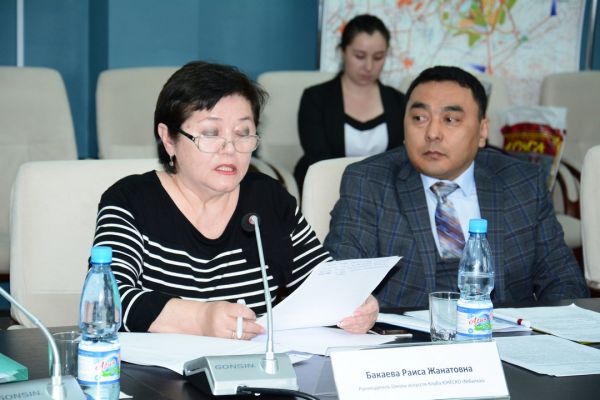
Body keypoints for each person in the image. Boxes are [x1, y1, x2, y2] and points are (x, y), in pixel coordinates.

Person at [91, 61, 378, 338]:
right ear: (168, 139)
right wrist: (200, 319)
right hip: (151, 371)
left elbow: (324, 284)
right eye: (210, 133)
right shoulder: (130, 201)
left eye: (243, 133)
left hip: (254, 368)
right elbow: (106, 300)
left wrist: (355, 303)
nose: (230, 149)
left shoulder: (269, 200)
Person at [324, 65, 589, 307]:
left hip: (502, 336)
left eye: (450, 120)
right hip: (404, 338)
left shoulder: (521, 183)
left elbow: (564, 282)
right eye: (419, 118)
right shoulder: (369, 182)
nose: (432, 133)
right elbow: (341, 276)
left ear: (482, 131)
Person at [294, 14, 405, 192]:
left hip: (382, 194)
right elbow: (319, 158)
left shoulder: (400, 102)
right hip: (324, 191)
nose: (369, 66)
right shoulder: (315, 98)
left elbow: (400, 161)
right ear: (342, 51)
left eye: (378, 57)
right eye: (360, 56)